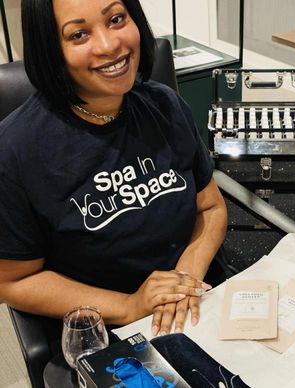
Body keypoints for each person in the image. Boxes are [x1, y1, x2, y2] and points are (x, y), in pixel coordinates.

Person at [0, 0, 227, 336]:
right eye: (78, 34)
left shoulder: (166, 104)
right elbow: (12, 281)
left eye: (116, 19)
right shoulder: (15, 150)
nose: (109, 45)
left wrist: (185, 279)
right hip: (109, 330)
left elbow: (210, 205)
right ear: (50, 48)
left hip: (200, 299)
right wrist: (129, 305)